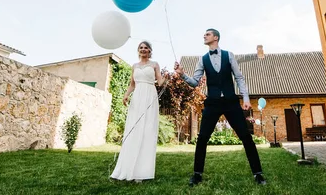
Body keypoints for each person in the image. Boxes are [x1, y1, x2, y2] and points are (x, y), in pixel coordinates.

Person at [174, 29, 266, 186]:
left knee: (245, 136)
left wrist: (245, 97)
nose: (204, 36)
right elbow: (195, 82)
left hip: (231, 101)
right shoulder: (202, 59)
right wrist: (182, 74)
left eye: (208, 34)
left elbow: (239, 77)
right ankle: (197, 174)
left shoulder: (229, 55)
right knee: (202, 138)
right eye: (204, 34)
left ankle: (258, 174)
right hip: (213, 103)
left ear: (216, 37)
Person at [110, 41, 167, 181]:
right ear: (138, 50)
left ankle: (143, 171)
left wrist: (169, 76)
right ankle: (128, 167)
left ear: (150, 50)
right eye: (141, 48)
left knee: (147, 130)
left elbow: (160, 82)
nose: (143, 49)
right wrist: (125, 95)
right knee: (134, 129)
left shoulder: (154, 64)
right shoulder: (134, 66)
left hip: (149, 96)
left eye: (146, 47)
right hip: (137, 98)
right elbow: (132, 84)